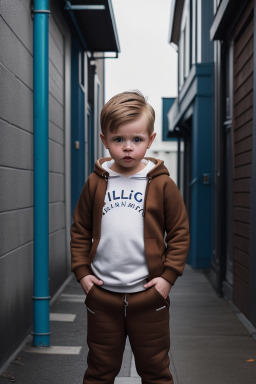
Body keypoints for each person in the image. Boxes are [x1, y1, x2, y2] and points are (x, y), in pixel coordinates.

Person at [70, 90, 190, 384]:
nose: (127, 148)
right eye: (118, 139)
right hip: (103, 297)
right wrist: (83, 273)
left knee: (155, 371)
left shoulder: (162, 184)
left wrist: (167, 278)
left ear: (150, 140)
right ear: (104, 140)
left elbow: (179, 233)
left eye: (136, 140)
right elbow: (80, 230)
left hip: (149, 297)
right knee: (99, 371)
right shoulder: (96, 182)